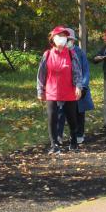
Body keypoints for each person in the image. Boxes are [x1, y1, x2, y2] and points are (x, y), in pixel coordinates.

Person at [37, 26, 82, 154]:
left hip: (69, 91)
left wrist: (78, 86)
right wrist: (40, 91)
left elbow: (77, 72)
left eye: (64, 36)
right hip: (52, 91)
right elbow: (41, 74)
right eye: (59, 36)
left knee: (72, 118)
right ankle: (54, 145)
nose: (62, 39)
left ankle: (73, 142)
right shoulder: (47, 54)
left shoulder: (71, 54)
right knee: (52, 117)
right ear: (53, 38)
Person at [58, 27, 94, 143]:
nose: (66, 41)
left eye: (68, 39)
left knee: (79, 111)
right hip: (64, 87)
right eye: (64, 38)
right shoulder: (58, 52)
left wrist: (83, 86)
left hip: (78, 87)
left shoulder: (79, 53)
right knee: (61, 111)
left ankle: (79, 134)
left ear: (73, 41)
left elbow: (85, 70)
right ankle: (58, 135)